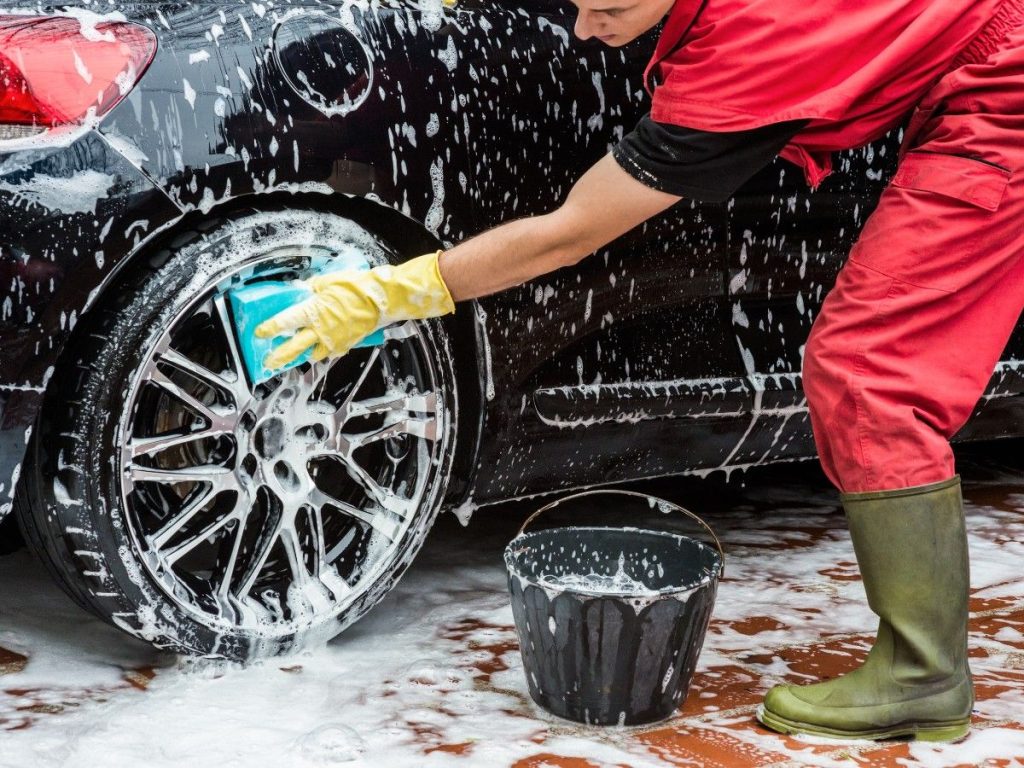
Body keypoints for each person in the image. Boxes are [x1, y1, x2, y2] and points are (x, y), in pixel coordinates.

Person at [255, 0, 1024, 743]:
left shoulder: (744, 55)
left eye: (608, 15)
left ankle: (924, 675)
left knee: (867, 370)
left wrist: (398, 292)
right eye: (575, 7)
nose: (587, 32)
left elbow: (571, 234)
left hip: (1003, 94)